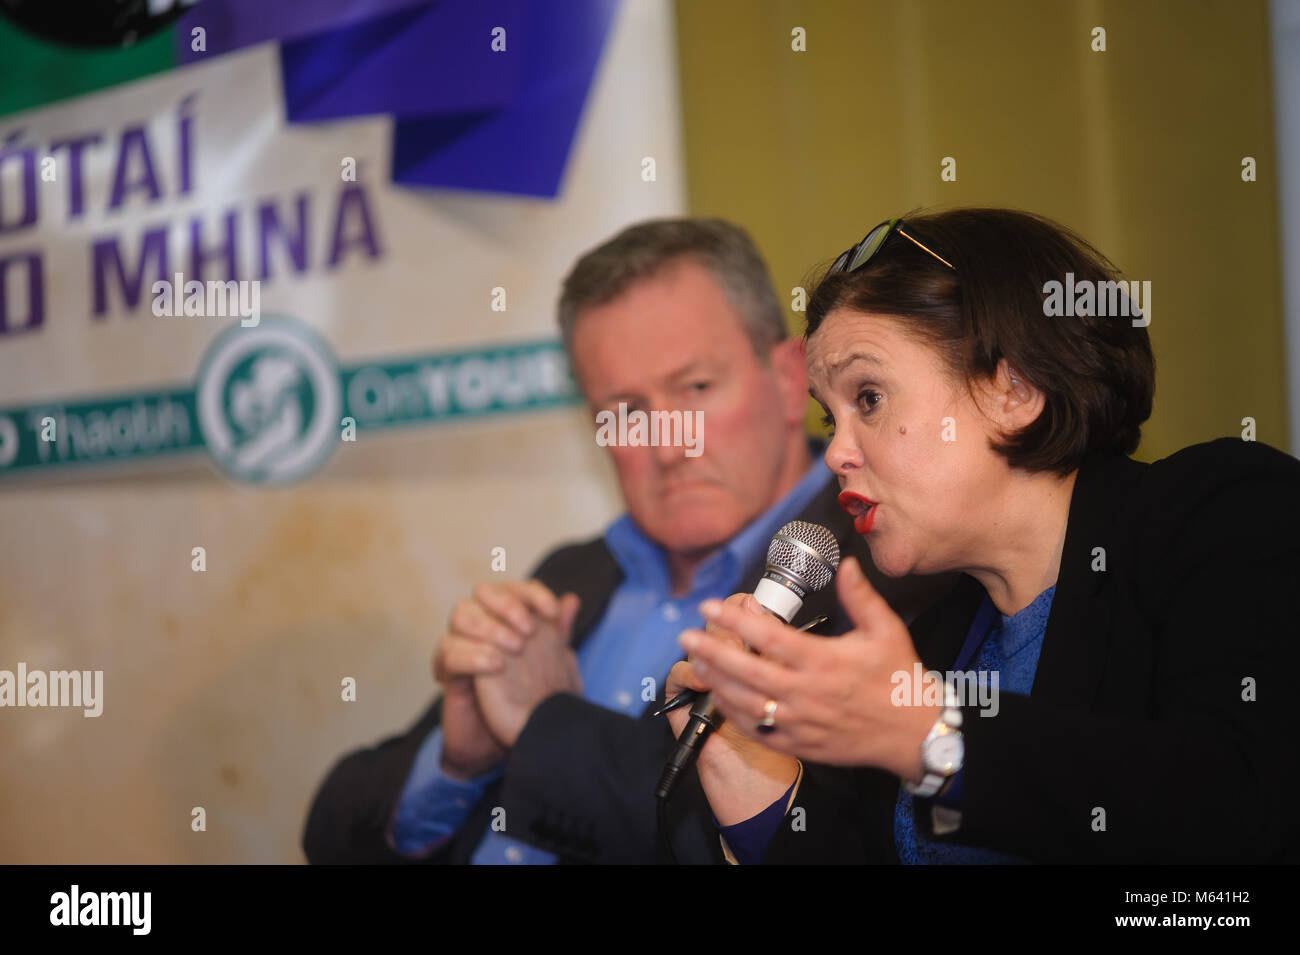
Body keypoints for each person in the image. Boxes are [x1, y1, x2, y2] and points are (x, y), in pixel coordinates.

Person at [302, 217, 957, 864]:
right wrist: (457, 760)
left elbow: (818, 837)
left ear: (790, 381)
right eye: (626, 411)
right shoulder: (575, 571)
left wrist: (538, 728)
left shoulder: (885, 564)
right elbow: (332, 830)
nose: (668, 444)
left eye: (695, 388)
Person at [667, 208, 1300, 864]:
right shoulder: (931, 640)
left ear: (1014, 389)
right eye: (832, 416)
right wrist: (752, 789)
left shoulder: (1226, 511)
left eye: (871, 398)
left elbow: (1237, 804)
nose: (836, 452)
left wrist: (931, 736)